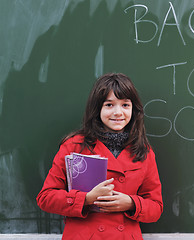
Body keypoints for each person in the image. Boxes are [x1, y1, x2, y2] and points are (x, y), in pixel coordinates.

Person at [36, 73, 163, 239]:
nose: (118, 112)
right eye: (109, 105)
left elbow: (156, 208)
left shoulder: (144, 152)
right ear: (97, 109)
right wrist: (86, 199)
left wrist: (131, 203)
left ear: (134, 109)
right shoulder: (74, 146)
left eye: (125, 105)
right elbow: (45, 198)